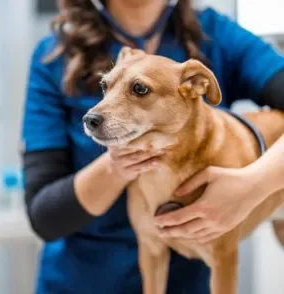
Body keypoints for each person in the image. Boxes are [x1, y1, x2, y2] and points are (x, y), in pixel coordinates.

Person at [21, 0, 284, 293]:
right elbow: (44, 217)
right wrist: (116, 166)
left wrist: (255, 184)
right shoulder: (54, 55)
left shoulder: (215, 34)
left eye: (140, 90)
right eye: (106, 87)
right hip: (81, 281)